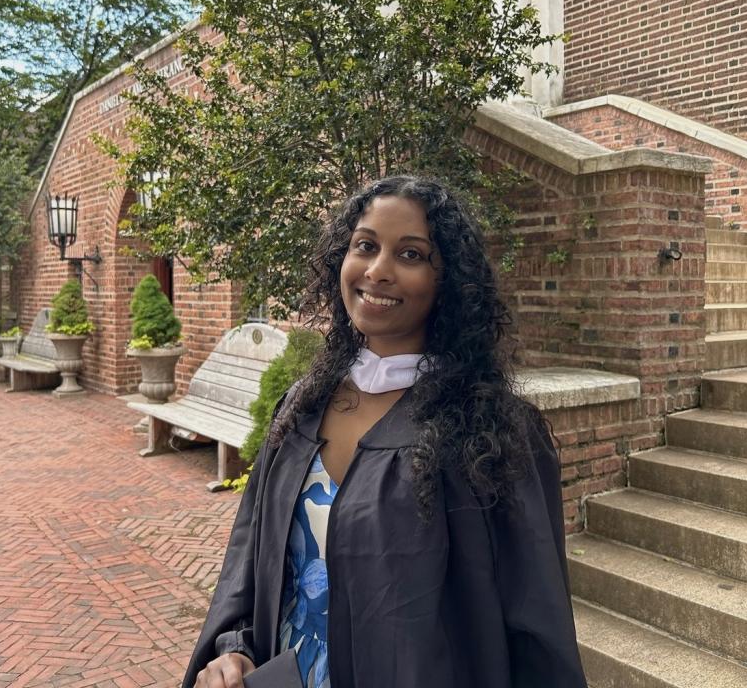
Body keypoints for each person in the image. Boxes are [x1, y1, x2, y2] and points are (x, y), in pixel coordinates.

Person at [184, 175, 588, 688]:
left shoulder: (488, 432)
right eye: (366, 246)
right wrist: (234, 649)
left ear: (449, 281)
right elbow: (249, 565)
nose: (378, 271)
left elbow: (537, 626)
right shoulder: (303, 408)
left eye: (411, 255)